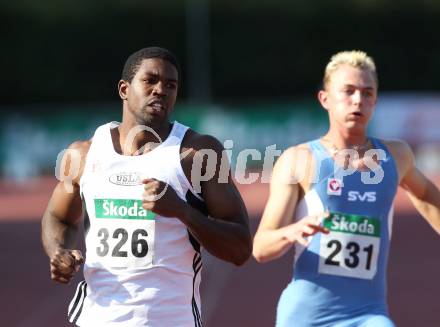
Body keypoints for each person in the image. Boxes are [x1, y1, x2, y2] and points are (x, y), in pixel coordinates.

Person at [41, 46, 252, 327]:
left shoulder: (196, 154)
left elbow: (240, 249)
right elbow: (59, 217)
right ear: (124, 89)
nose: (160, 90)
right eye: (150, 80)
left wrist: (182, 211)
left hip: (170, 320)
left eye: (170, 85)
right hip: (96, 318)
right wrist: (58, 251)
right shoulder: (83, 154)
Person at [252, 50, 440, 326]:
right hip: (306, 316)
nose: (358, 101)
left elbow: (425, 195)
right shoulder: (299, 160)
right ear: (325, 99)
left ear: (375, 100)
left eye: (367, 93)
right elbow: (261, 247)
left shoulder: (396, 156)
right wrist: (293, 230)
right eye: (348, 91)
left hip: (368, 314)